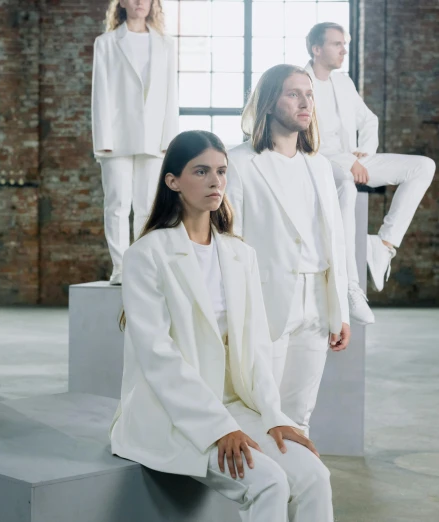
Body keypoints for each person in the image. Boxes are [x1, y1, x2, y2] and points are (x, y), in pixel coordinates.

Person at [110, 130, 332, 521]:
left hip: (236, 405)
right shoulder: (146, 255)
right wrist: (217, 428)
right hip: (171, 414)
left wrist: (276, 417)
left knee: (315, 474)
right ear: (173, 181)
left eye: (221, 171)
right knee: (269, 483)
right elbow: (159, 358)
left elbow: (258, 349)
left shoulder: (239, 254)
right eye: (201, 171)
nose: (215, 182)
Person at [226, 64, 351, 434]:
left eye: (309, 94)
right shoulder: (239, 163)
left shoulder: (320, 166)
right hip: (266, 302)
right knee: (262, 412)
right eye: (293, 94)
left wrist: (339, 308)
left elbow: (336, 241)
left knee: (300, 416)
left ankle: (299, 490)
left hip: (316, 300)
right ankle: (269, 488)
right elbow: (232, 245)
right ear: (268, 102)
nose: (305, 102)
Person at [305, 22, 435, 324]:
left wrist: (365, 152)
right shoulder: (302, 81)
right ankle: (351, 287)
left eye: (345, 43)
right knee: (348, 186)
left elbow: (370, 120)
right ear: (316, 49)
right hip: (320, 162)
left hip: (353, 159)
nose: (344, 50)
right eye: (337, 44)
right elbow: (305, 138)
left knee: (423, 166)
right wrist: (348, 162)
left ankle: (384, 245)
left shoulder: (344, 83)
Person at [92, 0, 179, 284]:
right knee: (117, 203)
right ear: (122, 3)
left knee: (147, 204)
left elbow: (170, 97)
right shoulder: (106, 43)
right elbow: (100, 93)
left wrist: (169, 139)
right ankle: (120, 267)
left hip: (154, 138)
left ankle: (142, 265)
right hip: (116, 137)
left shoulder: (166, 44)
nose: (140, 2)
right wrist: (102, 139)